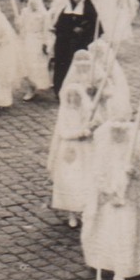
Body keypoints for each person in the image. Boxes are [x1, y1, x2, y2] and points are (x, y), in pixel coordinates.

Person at [81, 121, 140, 280]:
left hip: (129, 199)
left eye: (122, 132)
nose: (119, 135)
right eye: (115, 131)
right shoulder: (103, 153)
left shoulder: (132, 152)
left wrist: (133, 173)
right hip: (109, 201)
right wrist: (110, 191)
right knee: (109, 232)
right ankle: (106, 263)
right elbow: (98, 177)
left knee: (128, 231)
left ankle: (130, 268)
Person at [47, 83, 93, 228]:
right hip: (69, 149)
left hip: (85, 150)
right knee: (70, 179)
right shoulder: (64, 112)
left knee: (86, 179)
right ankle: (71, 214)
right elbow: (63, 132)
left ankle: (85, 211)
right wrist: (79, 133)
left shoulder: (87, 112)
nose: (73, 99)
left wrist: (89, 131)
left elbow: (93, 126)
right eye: (70, 96)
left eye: (76, 96)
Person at [51, 0, 97, 95]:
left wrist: (83, 29)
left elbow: (95, 27)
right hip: (64, 43)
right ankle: (60, 90)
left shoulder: (88, 9)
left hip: (80, 44)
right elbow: (59, 25)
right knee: (62, 65)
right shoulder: (66, 9)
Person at [17, 0, 52, 100]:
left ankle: (36, 86)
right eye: (31, 3)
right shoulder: (24, 12)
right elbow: (21, 26)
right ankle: (30, 87)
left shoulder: (44, 14)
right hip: (26, 39)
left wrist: (46, 43)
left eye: (35, 3)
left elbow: (46, 30)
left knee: (36, 65)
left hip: (38, 40)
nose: (33, 5)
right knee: (25, 64)